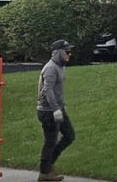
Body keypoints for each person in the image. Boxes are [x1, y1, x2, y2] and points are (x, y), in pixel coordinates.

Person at [36, 39, 75, 181]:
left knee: (69, 136)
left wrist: (61, 106)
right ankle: (45, 173)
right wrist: (55, 110)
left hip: (58, 108)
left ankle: (48, 166)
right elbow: (48, 90)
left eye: (70, 52)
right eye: (67, 52)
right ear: (58, 53)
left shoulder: (61, 67)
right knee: (50, 141)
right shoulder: (51, 68)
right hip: (48, 111)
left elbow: (58, 91)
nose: (69, 55)